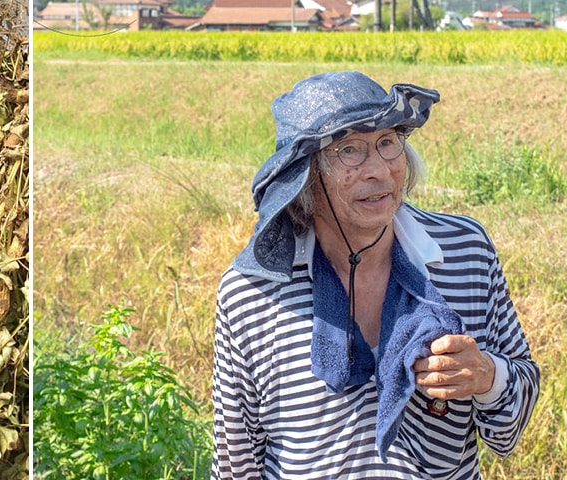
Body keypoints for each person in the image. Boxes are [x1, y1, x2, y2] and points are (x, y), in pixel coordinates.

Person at [213, 71, 540, 478]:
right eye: (349, 150)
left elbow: (511, 426)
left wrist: (487, 376)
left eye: (387, 142)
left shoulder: (465, 252)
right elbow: (235, 462)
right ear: (305, 176)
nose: (380, 171)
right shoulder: (254, 291)